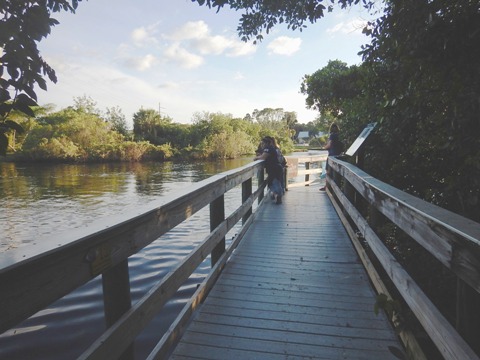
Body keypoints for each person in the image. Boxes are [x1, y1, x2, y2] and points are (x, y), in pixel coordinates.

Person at [254, 137, 284, 204]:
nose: (262, 144)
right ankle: (276, 196)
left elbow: (263, 157)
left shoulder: (268, 148)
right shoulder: (270, 148)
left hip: (274, 169)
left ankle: (278, 196)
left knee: (274, 183)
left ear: (265, 143)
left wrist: (256, 158)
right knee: (272, 182)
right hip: (275, 168)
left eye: (263, 142)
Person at [320, 123, 343, 191]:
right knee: (336, 173)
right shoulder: (340, 136)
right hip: (339, 156)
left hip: (331, 156)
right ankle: (334, 188)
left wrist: (324, 147)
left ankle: (327, 187)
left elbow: (329, 145)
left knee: (328, 171)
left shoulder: (332, 136)